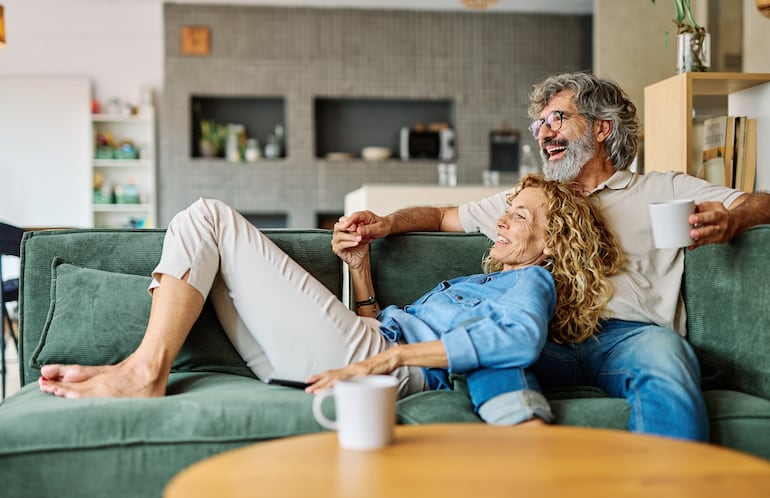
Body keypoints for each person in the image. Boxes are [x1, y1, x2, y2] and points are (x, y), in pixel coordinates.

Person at [333, 71, 770, 440]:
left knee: (669, 358)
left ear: (601, 127)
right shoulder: (530, 201)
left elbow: (760, 200)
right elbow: (444, 215)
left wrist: (734, 221)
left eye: (556, 118)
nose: (543, 133)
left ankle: (671, 493)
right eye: (538, 124)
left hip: (630, 336)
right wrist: (388, 224)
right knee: (490, 350)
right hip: (546, 336)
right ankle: (530, 454)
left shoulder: (662, 188)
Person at [38, 175, 622, 426]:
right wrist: (360, 269)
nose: (501, 219)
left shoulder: (532, 282)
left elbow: (517, 340)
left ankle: (145, 370)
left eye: (519, 214)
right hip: (348, 355)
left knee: (208, 217)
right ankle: (138, 366)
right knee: (204, 234)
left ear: (552, 243)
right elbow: (373, 327)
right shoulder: (488, 279)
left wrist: (391, 358)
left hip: (382, 369)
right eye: (506, 208)